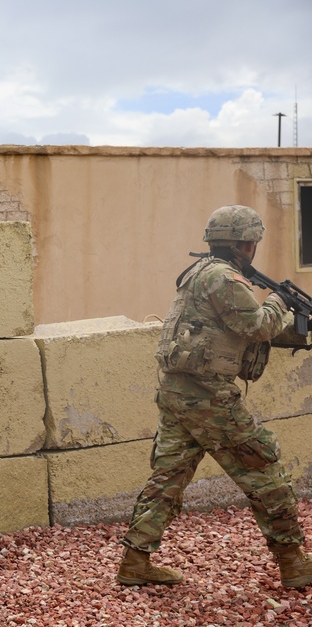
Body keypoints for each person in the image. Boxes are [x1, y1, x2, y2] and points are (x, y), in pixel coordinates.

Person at [117, 205, 312, 588]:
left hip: (178, 391)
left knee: (169, 477)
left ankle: (134, 562)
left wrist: (294, 329)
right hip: (208, 397)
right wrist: (277, 300)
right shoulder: (225, 278)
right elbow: (255, 325)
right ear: (245, 243)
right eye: (253, 242)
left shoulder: (200, 273)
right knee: (263, 471)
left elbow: (230, 329)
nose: (254, 248)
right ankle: (294, 563)